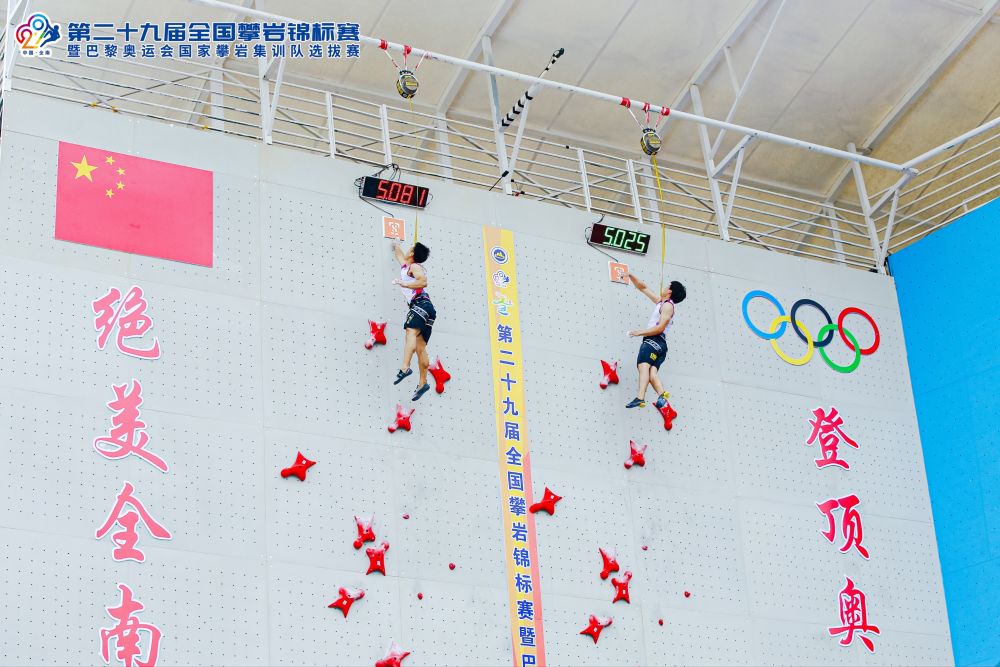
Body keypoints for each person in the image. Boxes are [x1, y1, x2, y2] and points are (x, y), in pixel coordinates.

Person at [625, 272, 686, 409]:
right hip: (661, 346)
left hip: (653, 341)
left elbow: (660, 328)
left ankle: (640, 397)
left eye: (667, 286)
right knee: (652, 374)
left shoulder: (668, 306)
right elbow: (643, 287)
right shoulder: (662, 302)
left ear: (669, 291)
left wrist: (640, 332)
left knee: (643, 366)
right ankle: (662, 394)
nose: (664, 288)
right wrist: (630, 275)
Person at [391, 241, 436, 401]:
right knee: (420, 348)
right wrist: (395, 244)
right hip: (428, 309)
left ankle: (405, 367)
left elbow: (423, 282)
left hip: (420, 304)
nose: (408, 249)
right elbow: (399, 255)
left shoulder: (414, 267)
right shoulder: (406, 266)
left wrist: (405, 284)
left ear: (412, 253)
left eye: (410, 248)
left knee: (410, 331)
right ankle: (423, 383)